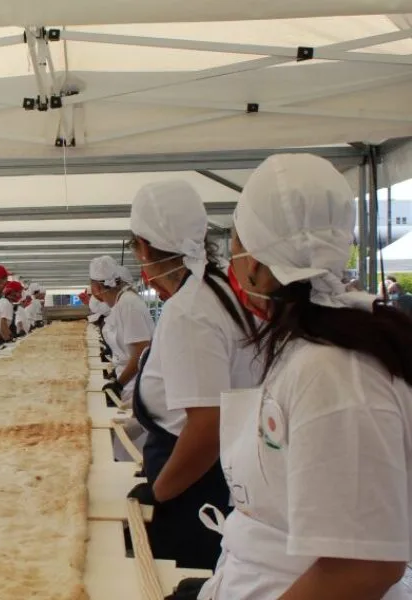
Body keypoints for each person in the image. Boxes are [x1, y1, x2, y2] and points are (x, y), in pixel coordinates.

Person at [200, 154, 412, 599]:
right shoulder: (310, 347)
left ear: (255, 260)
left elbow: (363, 568)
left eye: (235, 245)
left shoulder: (335, 372)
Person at [126, 179, 260, 570]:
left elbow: (207, 425)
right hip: (212, 471)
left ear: (145, 247)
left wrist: (162, 490)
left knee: (185, 570)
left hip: (196, 485)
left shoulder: (191, 308)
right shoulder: (218, 289)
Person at [89, 256, 154, 404]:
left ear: (97, 288)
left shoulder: (128, 304)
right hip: (129, 379)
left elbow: (141, 353)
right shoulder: (121, 304)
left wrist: (119, 384)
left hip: (136, 383)